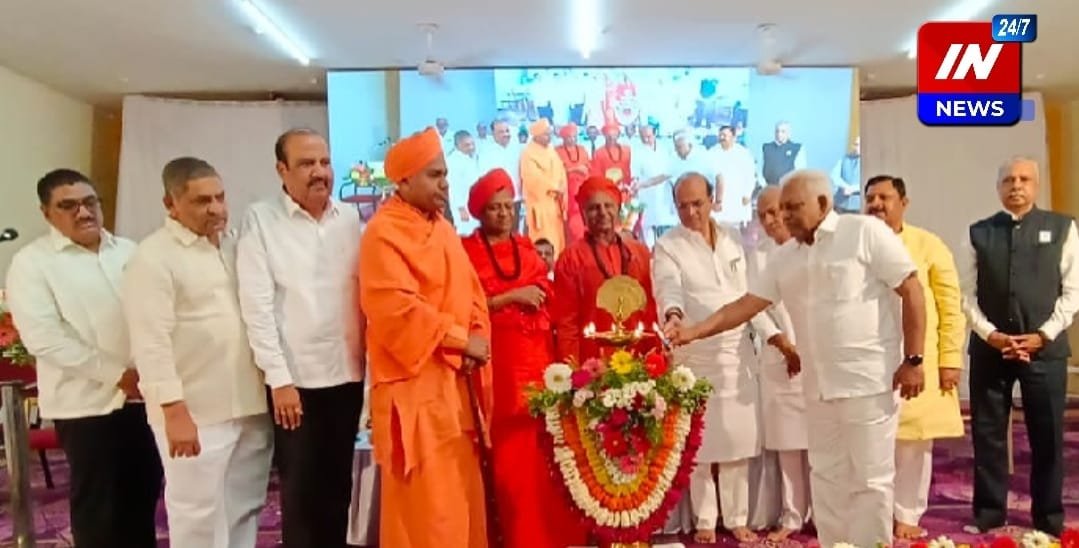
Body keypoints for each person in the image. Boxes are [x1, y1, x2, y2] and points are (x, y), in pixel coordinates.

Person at [665, 169, 927, 548]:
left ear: (823, 203)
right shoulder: (785, 257)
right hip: (817, 387)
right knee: (826, 476)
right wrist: (693, 331)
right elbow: (744, 305)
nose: (785, 215)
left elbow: (912, 290)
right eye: (781, 208)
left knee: (870, 480)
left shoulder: (863, 232)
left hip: (868, 383)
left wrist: (914, 359)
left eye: (793, 207)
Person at [5, 169, 162, 548]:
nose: (84, 212)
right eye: (68, 205)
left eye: (90, 202)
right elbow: (46, 339)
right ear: (46, 213)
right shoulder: (32, 264)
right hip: (86, 406)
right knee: (100, 510)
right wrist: (117, 375)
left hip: (144, 399)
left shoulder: (129, 251)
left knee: (142, 500)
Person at [122, 157, 272, 547]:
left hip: (249, 403)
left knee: (244, 506)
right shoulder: (153, 257)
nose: (217, 209)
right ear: (170, 204)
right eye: (202, 201)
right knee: (197, 514)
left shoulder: (235, 244)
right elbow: (150, 341)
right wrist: (173, 410)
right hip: (195, 411)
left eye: (220, 197)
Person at [360, 127, 493, 548]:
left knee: (463, 507)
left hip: (456, 389)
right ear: (404, 181)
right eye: (435, 175)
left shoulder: (443, 229)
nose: (445, 184)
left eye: (445, 174)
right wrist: (460, 340)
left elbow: (473, 294)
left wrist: (475, 336)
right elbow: (394, 310)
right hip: (415, 394)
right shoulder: (382, 233)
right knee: (429, 516)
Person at [236, 128, 366, 548]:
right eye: (307, 163)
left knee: (338, 490)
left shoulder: (349, 219)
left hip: (347, 375)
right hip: (297, 383)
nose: (319, 172)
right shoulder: (261, 220)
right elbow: (257, 307)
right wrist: (279, 379)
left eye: (324, 162)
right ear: (282, 170)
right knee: (302, 494)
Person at [460, 168, 587, 548]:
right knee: (509, 459)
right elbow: (462, 305)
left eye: (507, 206)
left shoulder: (526, 247)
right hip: (495, 367)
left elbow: (546, 291)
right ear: (479, 212)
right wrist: (511, 298)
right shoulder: (466, 252)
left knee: (543, 454)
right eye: (494, 207)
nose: (503, 213)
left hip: (538, 360)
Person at [959, 156, 1077, 536]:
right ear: (998, 187)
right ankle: (989, 513)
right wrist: (991, 334)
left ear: (1036, 186)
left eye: (1024, 179)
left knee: (1048, 438)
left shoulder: (1062, 228)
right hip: (990, 350)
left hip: (1046, 350)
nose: (1016, 185)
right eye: (1009, 179)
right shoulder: (979, 232)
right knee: (987, 435)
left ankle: (1049, 518)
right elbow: (964, 293)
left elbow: (1073, 292)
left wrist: (1042, 335)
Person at [652, 172, 761, 543]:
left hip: (736, 352)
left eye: (697, 203)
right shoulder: (668, 244)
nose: (691, 212)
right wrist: (673, 315)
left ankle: (738, 517)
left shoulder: (733, 236)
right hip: (693, 351)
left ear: (713, 199)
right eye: (682, 206)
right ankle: (705, 519)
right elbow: (668, 287)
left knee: (736, 439)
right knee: (698, 442)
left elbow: (749, 292)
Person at [864, 175, 965, 539]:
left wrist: (950, 359)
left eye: (885, 197)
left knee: (913, 442)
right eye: (870, 198)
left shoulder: (928, 245)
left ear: (903, 203)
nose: (876, 204)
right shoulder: (858, 245)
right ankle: (875, 511)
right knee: (870, 442)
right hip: (869, 359)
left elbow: (950, 306)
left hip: (919, 358)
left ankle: (907, 513)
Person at [744, 186, 810, 541]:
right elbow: (753, 309)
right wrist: (782, 342)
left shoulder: (812, 248)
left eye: (775, 211)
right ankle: (792, 515)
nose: (770, 220)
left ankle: (825, 514)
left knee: (823, 446)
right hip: (778, 360)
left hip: (818, 359)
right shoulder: (758, 258)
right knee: (787, 446)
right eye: (762, 215)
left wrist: (808, 347)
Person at [552, 175, 657, 363]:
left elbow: (650, 312)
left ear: (618, 209)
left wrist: (654, 359)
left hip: (638, 360)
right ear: (583, 214)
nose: (602, 212)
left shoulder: (639, 253)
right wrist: (572, 370)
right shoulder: (570, 259)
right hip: (592, 364)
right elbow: (567, 324)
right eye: (594, 208)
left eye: (608, 206)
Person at [520, 117, 568, 254]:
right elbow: (533, 180)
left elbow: (561, 171)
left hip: (555, 204)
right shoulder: (528, 154)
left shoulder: (551, 150)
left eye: (549, 133)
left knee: (558, 242)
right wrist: (554, 187)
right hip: (540, 205)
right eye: (546, 134)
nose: (549, 137)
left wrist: (561, 188)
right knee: (544, 242)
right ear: (537, 136)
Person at [556, 123, 591, 244]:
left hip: (582, 191)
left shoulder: (582, 149)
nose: (572, 139)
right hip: (566, 193)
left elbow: (589, 167)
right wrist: (574, 169)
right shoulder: (557, 152)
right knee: (568, 224)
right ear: (563, 138)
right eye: (569, 137)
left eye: (574, 136)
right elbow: (555, 172)